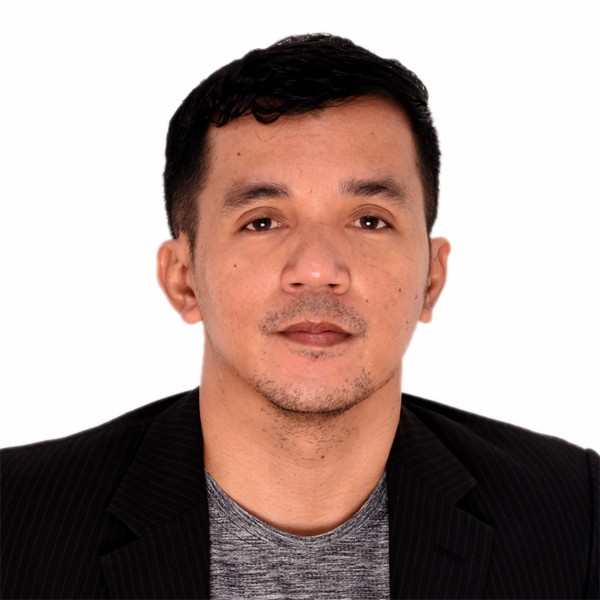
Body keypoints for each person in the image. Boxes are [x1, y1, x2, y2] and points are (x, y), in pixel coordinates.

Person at [1, 33, 598, 600]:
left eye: (369, 220)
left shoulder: (574, 518)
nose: (317, 269)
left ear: (431, 279)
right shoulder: (15, 522)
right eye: (262, 221)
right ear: (183, 278)